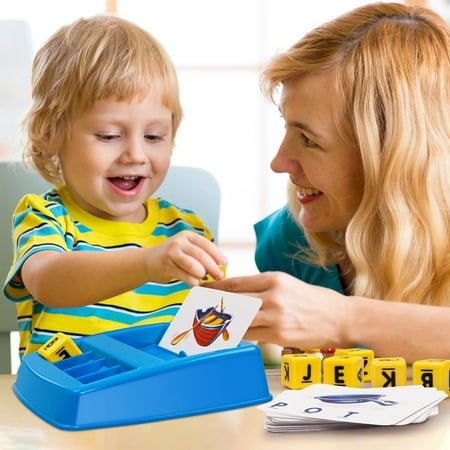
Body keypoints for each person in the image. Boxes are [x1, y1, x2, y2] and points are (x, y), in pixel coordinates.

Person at [207, 2, 450, 363]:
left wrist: (343, 319)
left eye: (310, 140)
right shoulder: (289, 240)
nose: (278, 163)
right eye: (287, 126)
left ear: (390, 156)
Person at [2, 15, 227, 358]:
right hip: (68, 389)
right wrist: (148, 262)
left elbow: (206, 338)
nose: (135, 154)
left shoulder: (186, 231)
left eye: (154, 136)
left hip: (165, 389)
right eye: (109, 136)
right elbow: (47, 282)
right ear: (50, 134)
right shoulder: (46, 216)